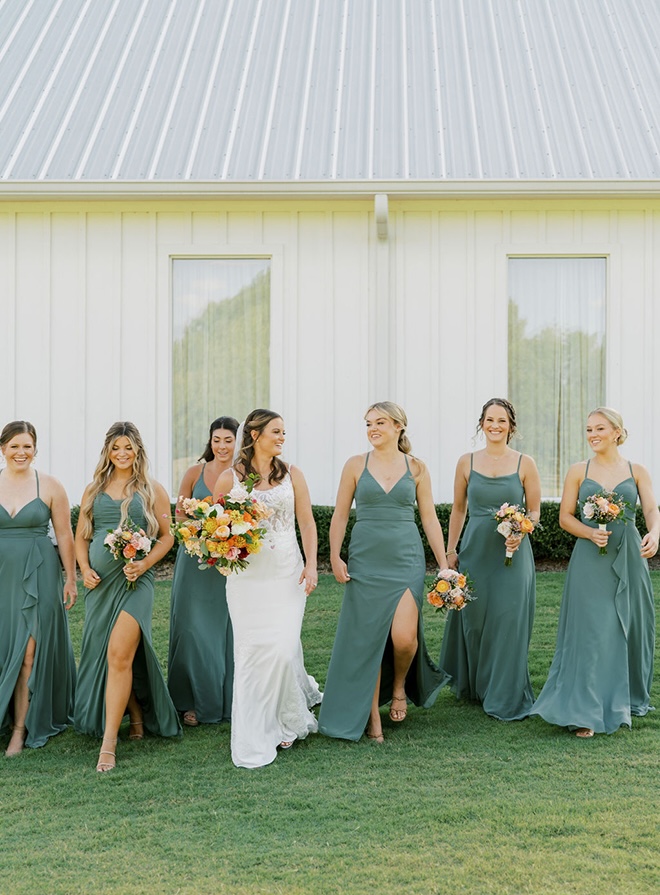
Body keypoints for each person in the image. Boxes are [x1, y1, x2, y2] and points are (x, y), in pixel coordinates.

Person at [318, 401, 449, 744]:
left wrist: (445, 564)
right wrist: (334, 555)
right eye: (368, 423)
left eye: (380, 422)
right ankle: (372, 715)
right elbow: (341, 516)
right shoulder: (354, 465)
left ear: (398, 427)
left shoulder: (417, 468)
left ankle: (399, 685)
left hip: (406, 559)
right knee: (369, 639)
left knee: (404, 637)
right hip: (365, 561)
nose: (372, 428)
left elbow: (429, 518)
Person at [531, 407, 658, 737]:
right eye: (588, 430)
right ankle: (584, 710)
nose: (592, 435)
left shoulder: (637, 470)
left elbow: (650, 508)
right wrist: (589, 532)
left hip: (628, 555)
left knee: (628, 625)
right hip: (590, 558)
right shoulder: (578, 470)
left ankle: (625, 697)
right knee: (590, 631)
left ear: (617, 431)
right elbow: (565, 517)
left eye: (599, 428)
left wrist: (654, 533)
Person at [213, 409, 321, 769]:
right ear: (255, 434)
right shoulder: (230, 479)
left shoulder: (293, 475)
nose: (282, 438)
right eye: (276, 431)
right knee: (253, 651)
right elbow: (215, 529)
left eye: (284, 432)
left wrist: (310, 564)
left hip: (287, 574)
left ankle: (287, 716)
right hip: (247, 580)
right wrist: (224, 553)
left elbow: (306, 522)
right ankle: (263, 727)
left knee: (283, 648)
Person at [74, 422, 180, 771]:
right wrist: (84, 569)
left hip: (137, 583)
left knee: (120, 654)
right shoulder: (94, 489)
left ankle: (108, 744)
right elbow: (81, 538)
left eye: (128, 448)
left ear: (138, 451)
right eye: (116, 447)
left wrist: (145, 562)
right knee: (113, 656)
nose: (122, 454)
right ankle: (135, 713)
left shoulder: (153, 489)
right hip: (101, 584)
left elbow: (167, 536)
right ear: (107, 451)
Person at [439, 398, 541, 720]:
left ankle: (505, 693)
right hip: (475, 551)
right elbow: (458, 509)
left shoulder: (525, 463)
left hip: (513, 553)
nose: (495, 426)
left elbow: (535, 511)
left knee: (508, 620)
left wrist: (522, 529)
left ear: (512, 426)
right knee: (476, 621)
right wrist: (451, 551)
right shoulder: (465, 462)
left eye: (502, 421)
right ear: (481, 423)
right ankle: (478, 685)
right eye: (489, 420)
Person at [0, 421, 76, 756]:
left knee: (29, 651)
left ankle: (20, 729)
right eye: (15, 446)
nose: (21, 452)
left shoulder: (49, 485)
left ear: (36, 449)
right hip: (3, 576)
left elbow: (64, 535)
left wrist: (71, 577)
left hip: (40, 573)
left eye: (27, 446)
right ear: (3, 448)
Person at [168, 416, 238, 727]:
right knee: (191, 629)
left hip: (227, 561)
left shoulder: (244, 475)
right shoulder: (194, 473)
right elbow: (179, 514)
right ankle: (191, 699)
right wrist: (198, 532)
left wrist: (226, 537)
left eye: (228, 440)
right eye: (217, 440)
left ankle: (230, 700)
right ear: (209, 442)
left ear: (238, 442)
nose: (222, 446)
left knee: (228, 630)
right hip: (194, 560)